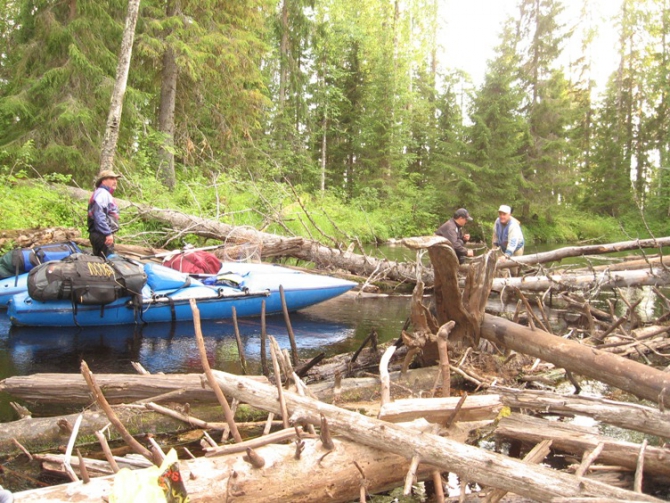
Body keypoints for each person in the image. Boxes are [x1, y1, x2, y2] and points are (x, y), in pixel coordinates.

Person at [88, 169, 122, 258]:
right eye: (111, 178)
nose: (115, 181)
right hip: (102, 236)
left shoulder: (104, 193)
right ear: (103, 181)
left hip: (101, 235)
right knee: (106, 265)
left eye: (116, 179)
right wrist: (107, 233)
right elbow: (98, 215)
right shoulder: (102, 194)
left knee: (100, 263)